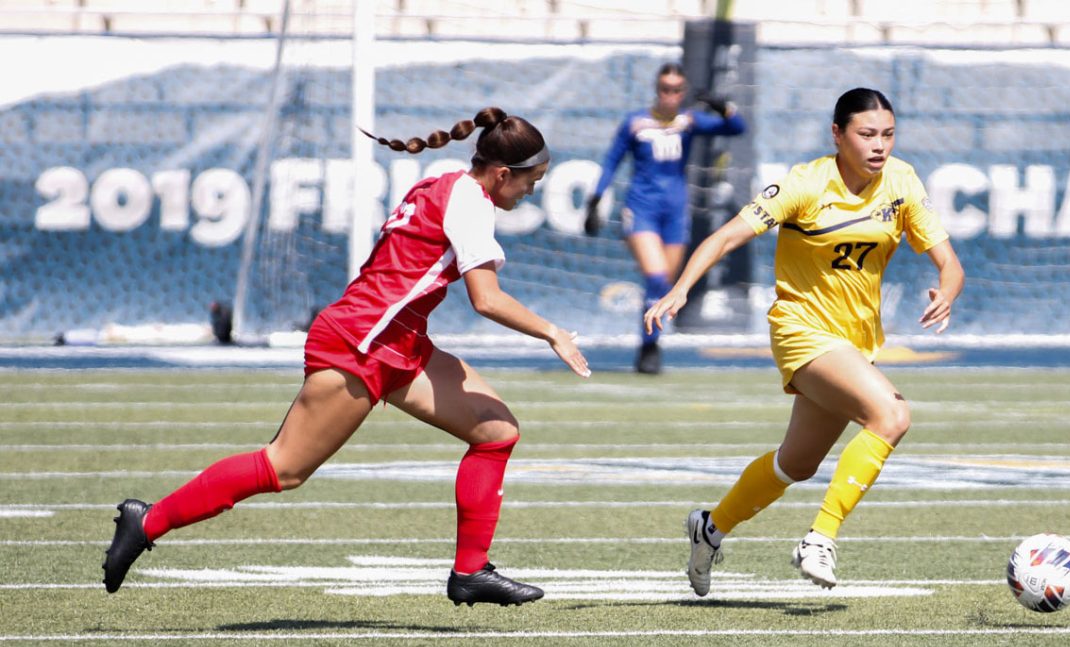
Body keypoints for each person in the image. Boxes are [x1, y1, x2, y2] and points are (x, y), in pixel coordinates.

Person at [102, 107, 591, 607]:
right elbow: (485, 299)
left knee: (496, 431)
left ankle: (470, 572)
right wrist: (553, 333)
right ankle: (148, 521)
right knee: (283, 468)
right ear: (503, 173)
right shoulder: (468, 204)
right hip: (361, 344)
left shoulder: (444, 185)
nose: (532, 191)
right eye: (532, 181)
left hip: (395, 342)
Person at [644, 88, 964, 595]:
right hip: (800, 331)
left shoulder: (901, 181)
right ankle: (820, 539)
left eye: (888, 134)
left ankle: (710, 527)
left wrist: (945, 294)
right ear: (837, 135)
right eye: (866, 134)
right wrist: (679, 288)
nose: (879, 145)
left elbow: (950, 264)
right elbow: (726, 236)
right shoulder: (805, 183)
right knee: (892, 415)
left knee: (795, 464)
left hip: (855, 342)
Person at [584, 62, 746, 374]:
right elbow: (611, 160)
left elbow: (736, 127)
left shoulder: (688, 121)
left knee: (663, 287)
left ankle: (649, 344)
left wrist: (721, 106)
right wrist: (595, 198)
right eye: (664, 89)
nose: (670, 96)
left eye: (676, 90)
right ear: (656, 90)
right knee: (656, 277)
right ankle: (649, 350)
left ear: (683, 93)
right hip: (641, 209)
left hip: (675, 213)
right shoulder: (636, 123)